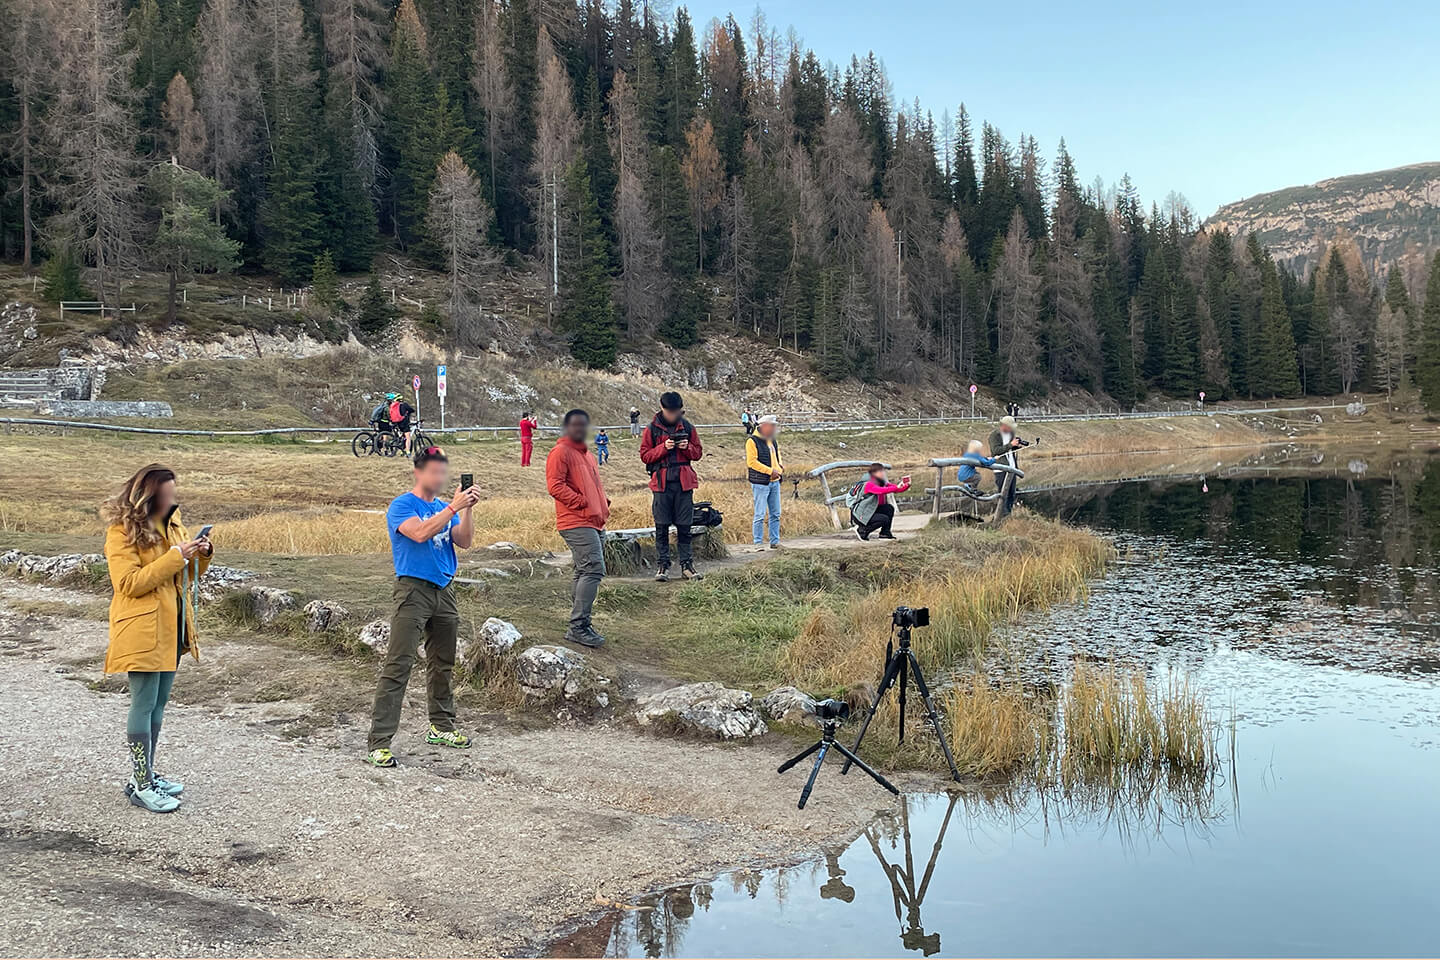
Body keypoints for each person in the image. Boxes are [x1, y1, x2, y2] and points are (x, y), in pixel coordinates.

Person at [101, 464, 213, 813]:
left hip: (173, 626)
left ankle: (146, 773)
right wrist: (174, 557)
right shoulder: (121, 533)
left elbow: (187, 573)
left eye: (173, 494)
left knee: (160, 704)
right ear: (147, 497)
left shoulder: (173, 523)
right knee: (143, 704)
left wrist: (202, 554)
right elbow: (129, 584)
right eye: (165, 496)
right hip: (142, 630)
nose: (172, 501)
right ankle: (140, 783)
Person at [365, 446, 480, 769]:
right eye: (434, 471)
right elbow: (418, 533)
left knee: (442, 661)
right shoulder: (403, 505)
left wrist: (466, 508)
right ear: (419, 473)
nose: (440, 477)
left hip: (444, 589)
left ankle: (441, 726)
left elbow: (464, 540)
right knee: (399, 663)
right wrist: (452, 508)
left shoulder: (447, 506)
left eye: (443, 472)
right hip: (412, 590)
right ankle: (379, 741)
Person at [546, 409, 610, 648]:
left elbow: (591, 485)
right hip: (576, 520)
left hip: (594, 520)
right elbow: (555, 486)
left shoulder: (587, 455)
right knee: (593, 569)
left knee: (583, 571)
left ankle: (581, 623)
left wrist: (602, 505)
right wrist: (582, 503)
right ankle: (578, 626)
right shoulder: (560, 452)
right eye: (575, 425)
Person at [640, 391, 705, 582]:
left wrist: (687, 448)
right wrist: (663, 448)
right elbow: (645, 456)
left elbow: (698, 453)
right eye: (670, 412)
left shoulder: (688, 427)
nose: (673, 415)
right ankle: (663, 565)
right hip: (661, 483)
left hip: (684, 482)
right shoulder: (651, 429)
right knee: (661, 526)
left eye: (676, 411)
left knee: (685, 526)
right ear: (662, 408)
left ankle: (687, 565)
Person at [746, 414, 784, 549]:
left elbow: (777, 455)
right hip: (761, 482)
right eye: (772, 426)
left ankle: (775, 541)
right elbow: (752, 462)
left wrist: (779, 467)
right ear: (764, 426)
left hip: (775, 481)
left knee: (775, 513)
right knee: (760, 513)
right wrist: (769, 471)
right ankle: (758, 542)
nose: (774, 429)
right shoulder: (752, 441)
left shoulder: (772, 440)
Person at [852, 463, 911, 541]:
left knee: (889, 508)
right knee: (884, 519)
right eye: (880, 471)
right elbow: (880, 491)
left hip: (872, 510)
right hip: (861, 514)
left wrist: (906, 485)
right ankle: (862, 531)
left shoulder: (881, 483)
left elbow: (895, 489)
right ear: (874, 473)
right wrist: (896, 487)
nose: (883, 473)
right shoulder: (869, 484)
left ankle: (885, 534)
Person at [987, 416, 1023, 515]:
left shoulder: (1011, 434)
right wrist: (1011, 445)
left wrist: (1015, 446)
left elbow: (1009, 450)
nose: (1012, 429)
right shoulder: (995, 435)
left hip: (1012, 468)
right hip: (1001, 469)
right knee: (1003, 495)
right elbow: (996, 451)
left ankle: (1009, 516)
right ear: (1004, 425)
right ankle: (1001, 516)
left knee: (1012, 494)